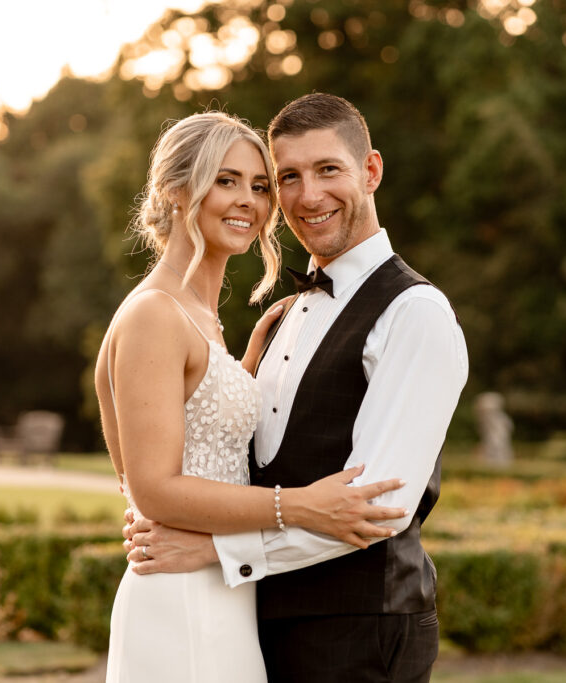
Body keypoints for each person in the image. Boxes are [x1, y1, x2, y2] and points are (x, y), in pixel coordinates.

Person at [124, 94, 469, 682]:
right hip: (257, 624)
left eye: (328, 170)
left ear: (371, 171)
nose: (308, 196)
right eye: (288, 178)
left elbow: (377, 510)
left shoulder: (416, 313)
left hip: (361, 632)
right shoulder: (281, 318)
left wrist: (217, 552)